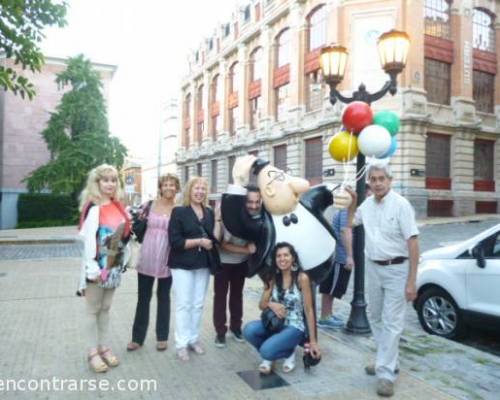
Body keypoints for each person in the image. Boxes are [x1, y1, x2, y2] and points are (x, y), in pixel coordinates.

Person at [346, 163, 419, 397]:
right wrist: (352, 202)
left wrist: (411, 281)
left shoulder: (401, 205)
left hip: (398, 269)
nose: (377, 183)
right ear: (369, 182)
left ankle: (386, 374)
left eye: (381, 179)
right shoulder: (366, 205)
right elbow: (351, 223)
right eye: (373, 179)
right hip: (373, 268)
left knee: (392, 321)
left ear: (390, 180)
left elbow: (413, 243)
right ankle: (386, 359)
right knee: (375, 316)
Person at [221, 155, 350, 284]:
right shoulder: (262, 224)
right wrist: (238, 184)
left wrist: (340, 193)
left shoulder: (308, 202)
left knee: (308, 300)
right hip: (278, 277)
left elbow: (326, 191)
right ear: (269, 191)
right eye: (281, 178)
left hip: (321, 266)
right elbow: (236, 223)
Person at [78, 164, 131, 373]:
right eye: (105, 180)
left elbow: (123, 238)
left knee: (106, 307)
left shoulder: (118, 206)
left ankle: (104, 346)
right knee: (93, 309)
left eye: (113, 180)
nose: (110, 184)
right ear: (97, 182)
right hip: (96, 267)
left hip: (114, 265)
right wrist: (92, 267)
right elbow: (87, 240)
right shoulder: (93, 206)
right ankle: (92, 351)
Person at [243, 242, 321, 375]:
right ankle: (277, 353)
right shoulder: (272, 277)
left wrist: (313, 341)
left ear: (293, 258)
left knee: (265, 351)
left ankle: (281, 353)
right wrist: (270, 304)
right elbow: (261, 305)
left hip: (294, 326)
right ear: (275, 259)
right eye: (278, 256)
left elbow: (309, 310)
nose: (282, 259)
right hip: (275, 324)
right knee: (249, 330)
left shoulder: (302, 278)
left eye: (286, 255)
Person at [168, 176, 222, 361]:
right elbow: (175, 242)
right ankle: (181, 343)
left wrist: (218, 219)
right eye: (196, 188)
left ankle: (193, 338)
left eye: (203, 189)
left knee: (198, 304)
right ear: (189, 191)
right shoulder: (179, 212)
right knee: (184, 304)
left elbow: (214, 239)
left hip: (203, 264)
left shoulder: (208, 211)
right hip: (182, 264)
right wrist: (198, 241)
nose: (199, 192)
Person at [127, 173, 180, 352]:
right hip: (148, 255)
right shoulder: (149, 205)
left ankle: (162, 337)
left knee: (164, 297)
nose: (169, 188)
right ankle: (137, 338)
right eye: (165, 184)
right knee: (143, 297)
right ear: (160, 187)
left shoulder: (179, 208)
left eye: (172, 185)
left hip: (168, 256)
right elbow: (134, 224)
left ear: (177, 188)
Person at [214, 185, 262, 348]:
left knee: (237, 296)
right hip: (223, 263)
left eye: (257, 202)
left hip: (241, 263)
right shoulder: (231, 215)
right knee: (220, 297)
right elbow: (222, 244)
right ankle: (220, 332)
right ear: (243, 201)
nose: (253, 206)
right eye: (250, 202)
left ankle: (236, 328)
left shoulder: (256, 216)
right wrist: (245, 249)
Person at [318, 208, 354, 329]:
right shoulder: (347, 211)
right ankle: (325, 317)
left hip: (339, 255)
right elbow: (344, 231)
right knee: (331, 288)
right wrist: (349, 255)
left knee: (333, 288)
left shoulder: (349, 210)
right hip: (339, 256)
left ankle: (328, 314)